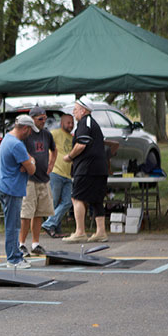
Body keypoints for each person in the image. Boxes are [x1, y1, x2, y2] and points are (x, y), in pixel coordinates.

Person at [62, 100, 109, 242]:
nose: (73, 112)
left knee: (77, 197)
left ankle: (80, 232)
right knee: (96, 199)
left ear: (83, 110)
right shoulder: (93, 123)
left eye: (75, 109)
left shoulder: (84, 123)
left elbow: (81, 144)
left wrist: (69, 156)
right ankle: (101, 232)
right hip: (100, 168)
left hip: (87, 168)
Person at [0, 115, 37, 268]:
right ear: (25, 128)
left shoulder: (7, 138)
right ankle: (13, 259)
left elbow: (28, 163)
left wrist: (27, 162)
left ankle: (16, 255)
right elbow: (32, 169)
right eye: (30, 130)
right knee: (13, 225)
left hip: (5, 185)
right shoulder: (17, 145)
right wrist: (30, 162)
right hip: (12, 188)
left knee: (12, 224)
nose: (31, 134)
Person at [17, 108, 56, 256]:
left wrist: (51, 164)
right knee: (26, 214)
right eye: (40, 119)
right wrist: (28, 161)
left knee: (39, 213)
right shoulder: (27, 134)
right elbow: (20, 149)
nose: (43, 121)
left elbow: (54, 150)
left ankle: (35, 243)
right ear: (32, 119)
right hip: (29, 179)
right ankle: (21, 244)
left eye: (45, 118)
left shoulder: (47, 134)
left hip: (43, 179)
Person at [41, 113, 74, 239]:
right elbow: (44, 146)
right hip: (55, 172)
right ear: (62, 123)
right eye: (68, 122)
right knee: (54, 202)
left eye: (72, 123)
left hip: (67, 174)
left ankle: (50, 224)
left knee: (67, 202)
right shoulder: (54, 133)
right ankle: (54, 229)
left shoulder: (71, 138)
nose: (70, 125)